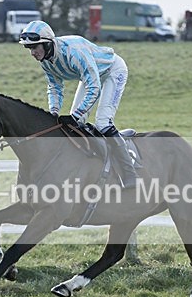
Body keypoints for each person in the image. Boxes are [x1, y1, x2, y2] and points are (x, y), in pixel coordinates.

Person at [18, 20, 138, 188]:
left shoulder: (74, 53)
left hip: (112, 71)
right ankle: (88, 168)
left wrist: (74, 115)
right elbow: (54, 87)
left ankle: (129, 173)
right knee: (75, 126)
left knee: (103, 123)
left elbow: (94, 87)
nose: (32, 52)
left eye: (35, 47)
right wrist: (53, 112)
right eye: (29, 48)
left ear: (47, 44)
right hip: (90, 76)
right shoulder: (45, 60)